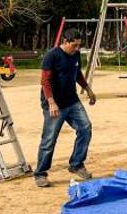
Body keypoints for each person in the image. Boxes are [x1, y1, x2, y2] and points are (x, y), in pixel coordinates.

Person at [34, 32, 97, 188]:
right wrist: (51, 103)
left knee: (85, 128)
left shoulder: (75, 55)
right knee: (49, 139)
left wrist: (88, 89)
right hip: (55, 103)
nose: (76, 48)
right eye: (74, 44)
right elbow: (45, 81)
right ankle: (40, 173)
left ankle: (76, 164)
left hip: (72, 101)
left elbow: (78, 74)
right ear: (65, 41)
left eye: (79, 45)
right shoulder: (52, 56)